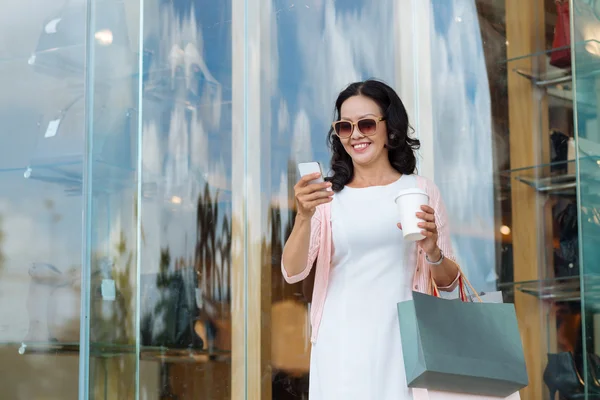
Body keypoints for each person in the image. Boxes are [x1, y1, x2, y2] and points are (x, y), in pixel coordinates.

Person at [281, 79, 461, 399]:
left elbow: (449, 284)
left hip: (403, 343)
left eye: (365, 124)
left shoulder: (419, 190)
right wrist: (303, 216)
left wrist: (433, 252)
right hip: (340, 341)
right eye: (344, 127)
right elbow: (292, 271)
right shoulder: (328, 198)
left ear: (390, 128)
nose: (356, 135)